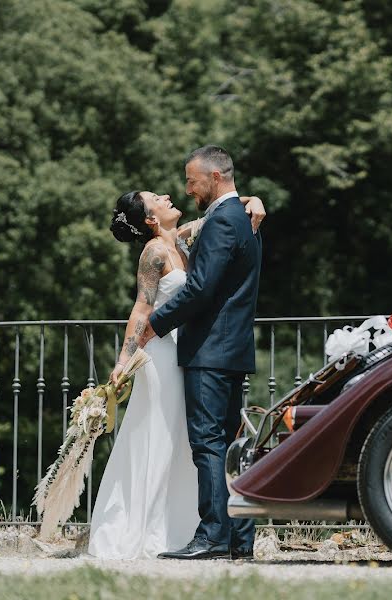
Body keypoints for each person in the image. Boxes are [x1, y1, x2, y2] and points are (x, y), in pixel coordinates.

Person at [87, 184, 264, 560]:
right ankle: (147, 526)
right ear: (151, 218)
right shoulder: (154, 251)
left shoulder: (183, 237)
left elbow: (226, 209)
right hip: (162, 356)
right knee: (161, 435)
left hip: (191, 351)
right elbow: (141, 308)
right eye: (157, 199)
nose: (167, 196)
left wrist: (254, 200)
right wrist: (123, 361)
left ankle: (183, 526)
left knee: (191, 441)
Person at [134, 145, 261, 560]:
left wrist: (156, 323)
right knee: (230, 447)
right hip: (232, 348)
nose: (187, 189)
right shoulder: (240, 216)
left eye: (192, 180)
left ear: (216, 178)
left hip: (210, 349)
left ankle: (213, 536)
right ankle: (240, 540)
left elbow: (201, 288)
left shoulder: (224, 220)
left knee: (208, 443)